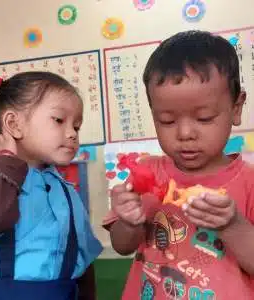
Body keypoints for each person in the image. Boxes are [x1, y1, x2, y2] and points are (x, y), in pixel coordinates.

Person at [103, 30, 254, 299]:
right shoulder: (147, 172)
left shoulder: (249, 181)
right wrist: (128, 222)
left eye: (204, 118)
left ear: (236, 108)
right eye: (167, 120)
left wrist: (233, 226)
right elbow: (122, 246)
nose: (184, 133)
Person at [0, 71, 103, 300]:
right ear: (14, 124)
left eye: (77, 126)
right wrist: (5, 159)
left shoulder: (67, 191)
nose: (72, 133)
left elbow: (82, 259)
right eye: (59, 120)